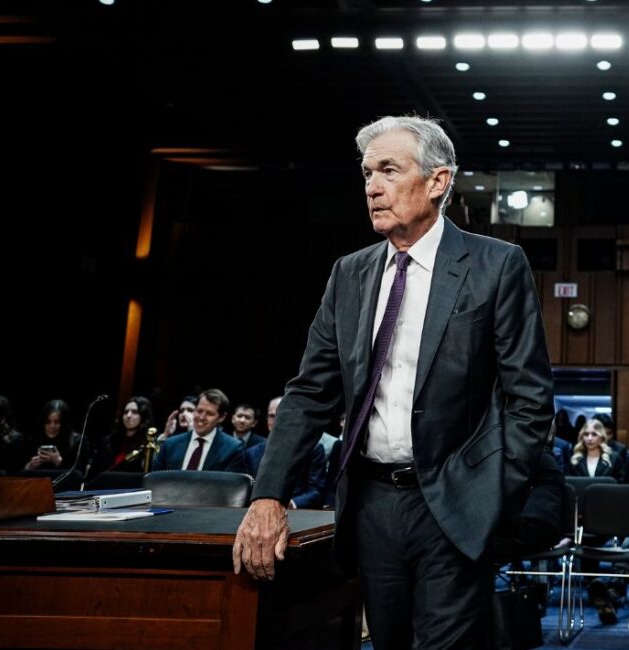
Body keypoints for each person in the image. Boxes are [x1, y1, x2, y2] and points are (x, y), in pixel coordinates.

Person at [233, 115, 554, 650]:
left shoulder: (496, 266)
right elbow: (311, 391)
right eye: (366, 174)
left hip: (455, 503)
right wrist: (269, 493)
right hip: (372, 505)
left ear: (437, 181)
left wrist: (490, 492)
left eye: (388, 170)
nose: (373, 187)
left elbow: (531, 399)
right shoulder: (349, 273)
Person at [151, 389, 246, 473]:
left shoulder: (233, 449)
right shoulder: (170, 444)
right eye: (199, 411)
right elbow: (156, 481)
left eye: (209, 413)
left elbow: (229, 488)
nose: (201, 417)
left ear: (221, 417)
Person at [25, 399, 81, 470]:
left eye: (57, 422)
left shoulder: (77, 442)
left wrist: (58, 461)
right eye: (48, 422)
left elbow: (78, 475)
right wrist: (29, 466)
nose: (52, 426)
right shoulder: (33, 440)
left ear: (64, 423)